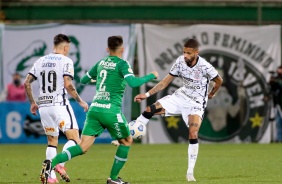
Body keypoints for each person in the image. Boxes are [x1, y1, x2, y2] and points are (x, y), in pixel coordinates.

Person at [39, 35, 158, 184]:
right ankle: (113, 179)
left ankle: (51, 163)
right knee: (126, 141)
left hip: (94, 110)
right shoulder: (123, 64)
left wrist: (99, 79)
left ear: (107, 49)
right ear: (123, 49)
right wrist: (151, 76)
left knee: (82, 147)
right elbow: (133, 83)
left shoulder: (101, 63)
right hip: (110, 111)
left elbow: (83, 80)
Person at [134, 38, 223, 182]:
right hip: (180, 97)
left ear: (196, 53)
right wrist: (146, 94)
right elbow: (165, 82)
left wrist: (212, 93)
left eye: (189, 53)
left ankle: (190, 173)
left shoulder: (205, 66)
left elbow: (219, 80)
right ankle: (131, 133)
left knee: (193, 133)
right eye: (184, 52)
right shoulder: (180, 62)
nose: (185, 56)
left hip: (196, 103)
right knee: (149, 110)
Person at [24, 34, 89, 183]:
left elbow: (27, 83)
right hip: (59, 104)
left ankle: (50, 178)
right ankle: (60, 164)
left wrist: (33, 102)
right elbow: (68, 84)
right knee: (75, 139)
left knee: (52, 141)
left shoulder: (40, 60)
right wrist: (80, 101)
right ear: (66, 48)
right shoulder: (66, 61)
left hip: (44, 106)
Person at [268, 66, 282, 142]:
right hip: (278, 104)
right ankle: (280, 140)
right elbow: (272, 88)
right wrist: (272, 82)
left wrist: (277, 81)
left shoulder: (279, 81)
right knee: (278, 123)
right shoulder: (277, 80)